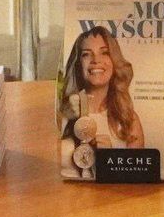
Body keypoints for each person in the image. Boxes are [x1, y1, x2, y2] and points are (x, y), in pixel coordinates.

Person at [58, 29, 145, 179]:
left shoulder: (129, 119)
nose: (96, 60)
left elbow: (137, 179)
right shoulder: (62, 112)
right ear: (78, 64)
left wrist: (110, 161)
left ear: (114, 61)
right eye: (86, 54)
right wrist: (63, 114)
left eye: (104, 52)